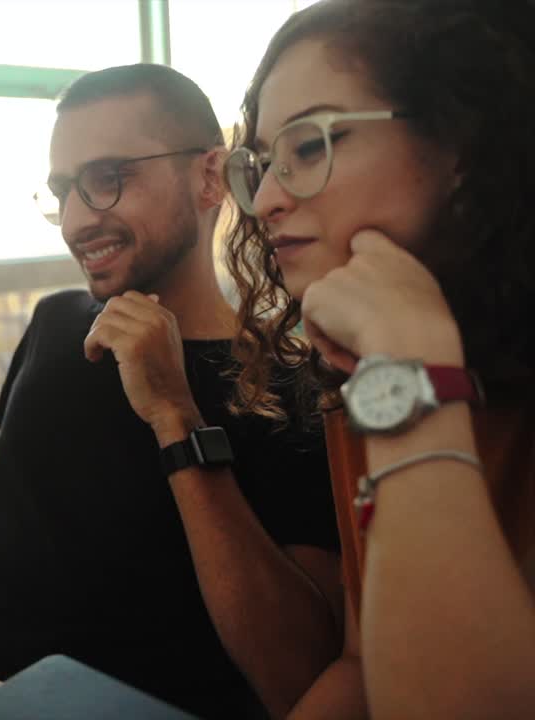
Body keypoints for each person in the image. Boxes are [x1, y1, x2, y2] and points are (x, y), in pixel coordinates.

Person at [0, 64, 342, 719]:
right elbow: (14, 496)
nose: (77, 220)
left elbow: (297, 674)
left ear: (208, 176)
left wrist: (175, 413)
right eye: (64, 190)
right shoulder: (58, 324)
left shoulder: (291, 388)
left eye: (108, 179)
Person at [222, 0, 535, 716]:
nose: (265, 199)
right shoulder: (361, 370)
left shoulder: (393, 366)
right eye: (263, 163)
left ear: (463, 145)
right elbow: (366, 664)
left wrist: (410, 369)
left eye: (308, 147)